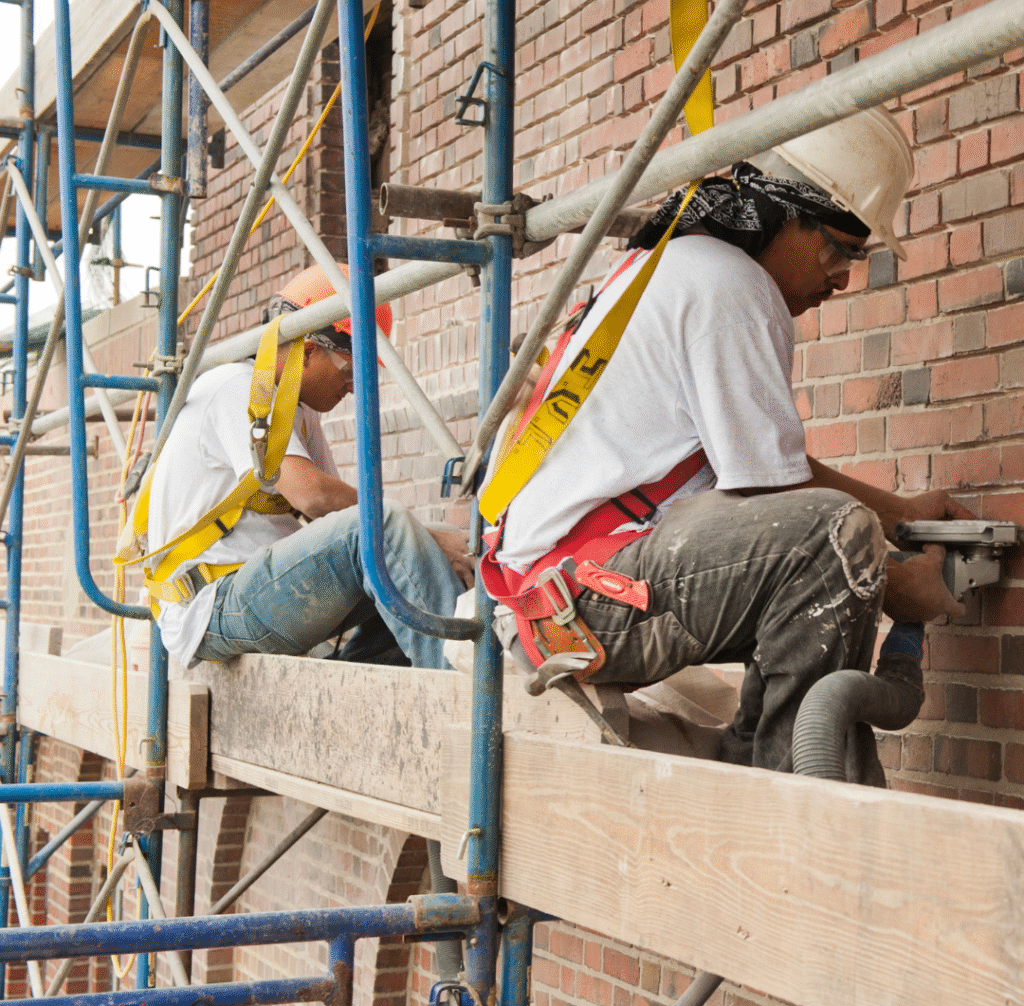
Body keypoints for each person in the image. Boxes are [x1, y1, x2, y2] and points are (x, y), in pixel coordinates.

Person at [482, 108, 971, 784]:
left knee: (822, 535)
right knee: (831, 537)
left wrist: (898, 512)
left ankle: (760, 757)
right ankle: (799, 788)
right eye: (839, 249)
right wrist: (892, 581)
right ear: (784, 215)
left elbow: (771, 473)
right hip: (578, 599)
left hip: (553, 590)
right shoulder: (729, 283)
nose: (844, 278)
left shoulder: (682, 266)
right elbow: (782, 503)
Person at [146, 263, 474, 671]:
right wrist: (425, 536)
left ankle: (365, 688)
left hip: (256, 591)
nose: (356, 385)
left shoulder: (298, 409)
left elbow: (342, 520)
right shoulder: (233, 386)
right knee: (390, 529)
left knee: (408, 551)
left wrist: (428, 543)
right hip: (212, 602)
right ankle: (467, 687)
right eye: (352, 368)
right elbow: (315, 497)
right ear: (308, 349)